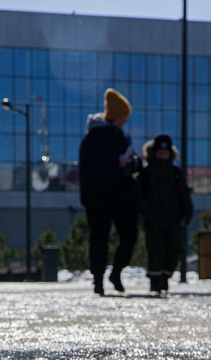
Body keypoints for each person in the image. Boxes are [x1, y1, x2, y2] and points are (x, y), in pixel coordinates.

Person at [79, 88, 140, 295]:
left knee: (129, 235)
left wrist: (134, 163)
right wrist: (117, 162)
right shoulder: (93, 137)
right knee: (99, 238)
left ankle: (115, 273)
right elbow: (89, 166)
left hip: (122, 195)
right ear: (116, 116)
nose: (126, 121)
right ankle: (98, 280)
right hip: (99, 196)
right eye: (124, 116)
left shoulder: (122, 136)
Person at [139, 133, 192, 294]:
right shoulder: (146, 171)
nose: (162, 156)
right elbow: (139, 195)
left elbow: (183, 194)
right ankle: (155, 281)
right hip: (153, 218)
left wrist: (187, 213)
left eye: (165, 153)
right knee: (156, 250)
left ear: (170, 154)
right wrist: (145, 212)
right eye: (160, 153)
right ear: (154, 153)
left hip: (173, 218)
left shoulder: (175, 172)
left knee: (176, 249)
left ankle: (165, 277)